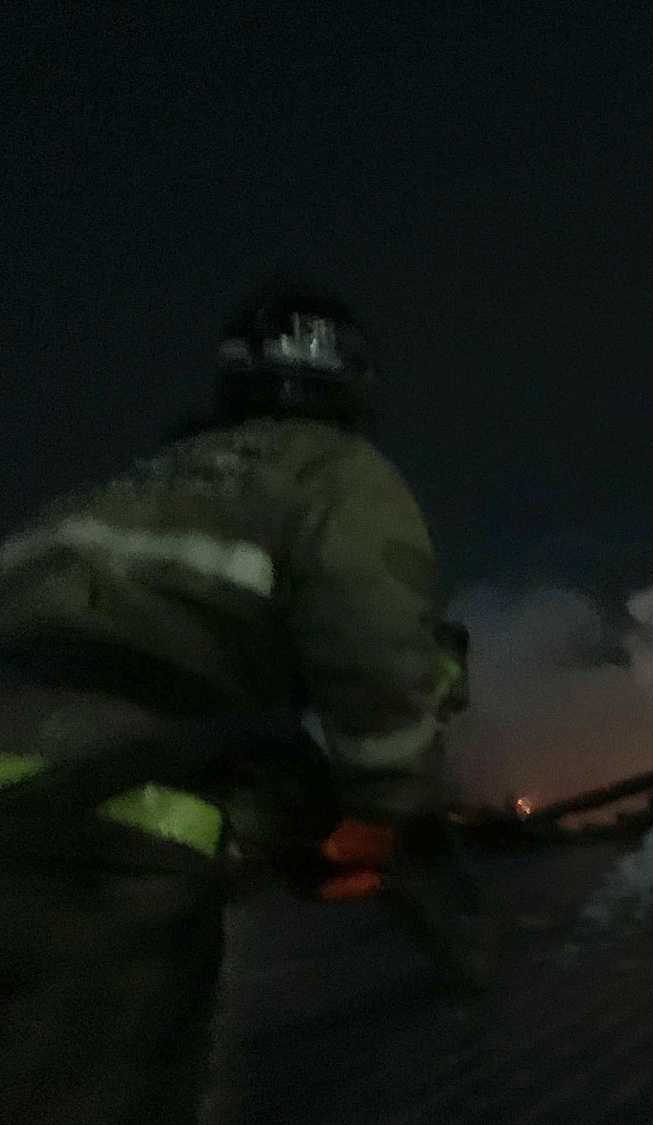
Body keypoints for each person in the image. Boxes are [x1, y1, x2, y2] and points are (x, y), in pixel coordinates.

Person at [0, 279, 466, 1124]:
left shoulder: (121, 490)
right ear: (355, 382)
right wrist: (382, 807)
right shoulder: (330, 471)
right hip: (115, 826)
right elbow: (380, 648)